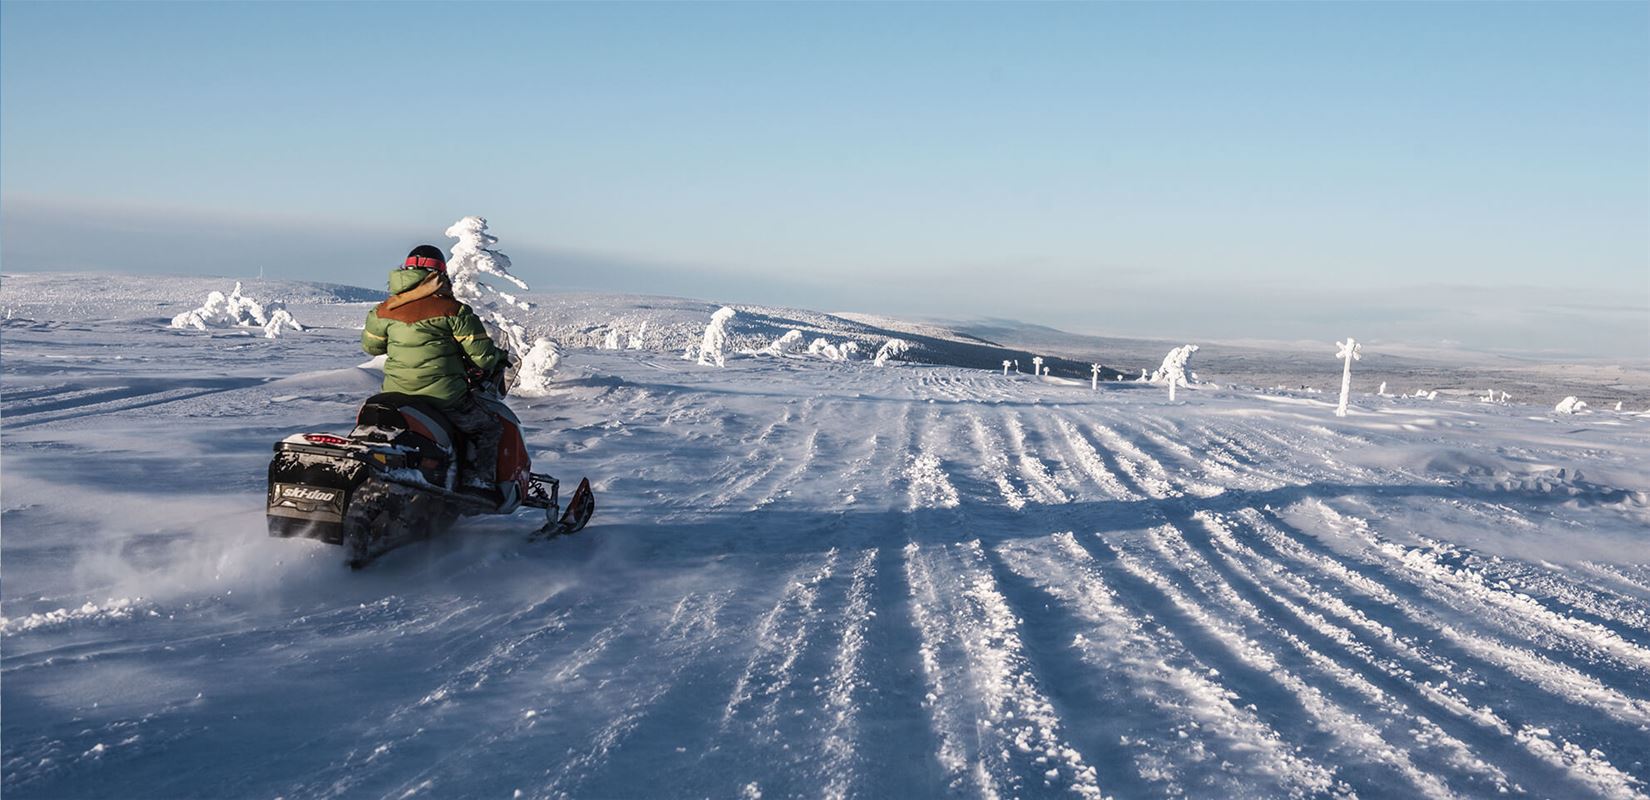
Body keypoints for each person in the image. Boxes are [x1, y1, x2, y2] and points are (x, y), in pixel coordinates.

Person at [362, 245, 509, 495]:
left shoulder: (383, 310)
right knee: (488, 428)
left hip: (396, 395)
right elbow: (482, 357)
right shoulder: (453, 311)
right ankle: (478, 482)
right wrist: (499, 357)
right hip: (443, 397)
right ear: (439, 275)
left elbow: (371, 347)